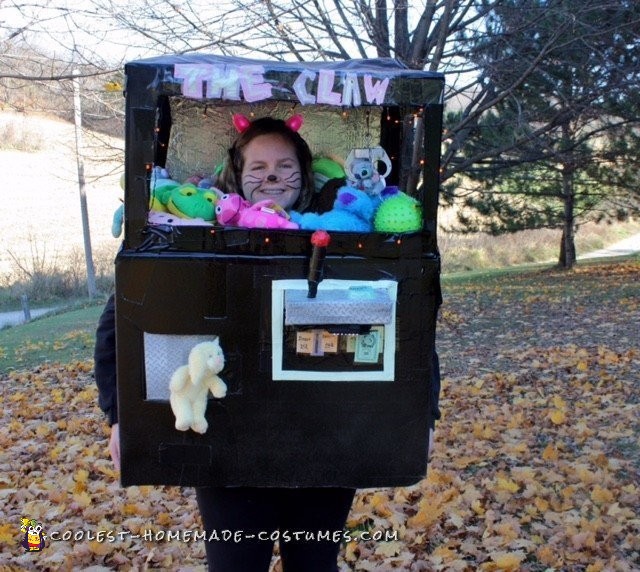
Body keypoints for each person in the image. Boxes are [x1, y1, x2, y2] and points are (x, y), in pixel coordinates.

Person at [95, 116, 357, 572]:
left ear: (306, 172)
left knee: (314, 564)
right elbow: (119, 328)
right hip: (227, 441)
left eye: (283, 165)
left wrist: (424, 416)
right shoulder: (188, 240)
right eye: (257, 166)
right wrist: (122, 417)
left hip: (322, 436)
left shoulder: (347, 238)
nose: (271, 176)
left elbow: (407, 324)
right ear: (236, 173)